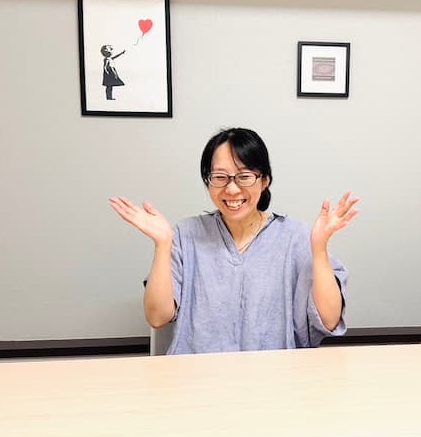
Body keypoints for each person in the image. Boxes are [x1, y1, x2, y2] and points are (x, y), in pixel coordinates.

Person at [109, 127, 359, 354]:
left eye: (244, 176)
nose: (231, 189)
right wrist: (162, 245)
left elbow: (329, 320)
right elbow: (157, 317)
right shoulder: (186, 234)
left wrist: (319, 249)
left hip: (275, 378)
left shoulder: (295, 236)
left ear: (264, 180)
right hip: (195, 378)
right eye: (220, 177)